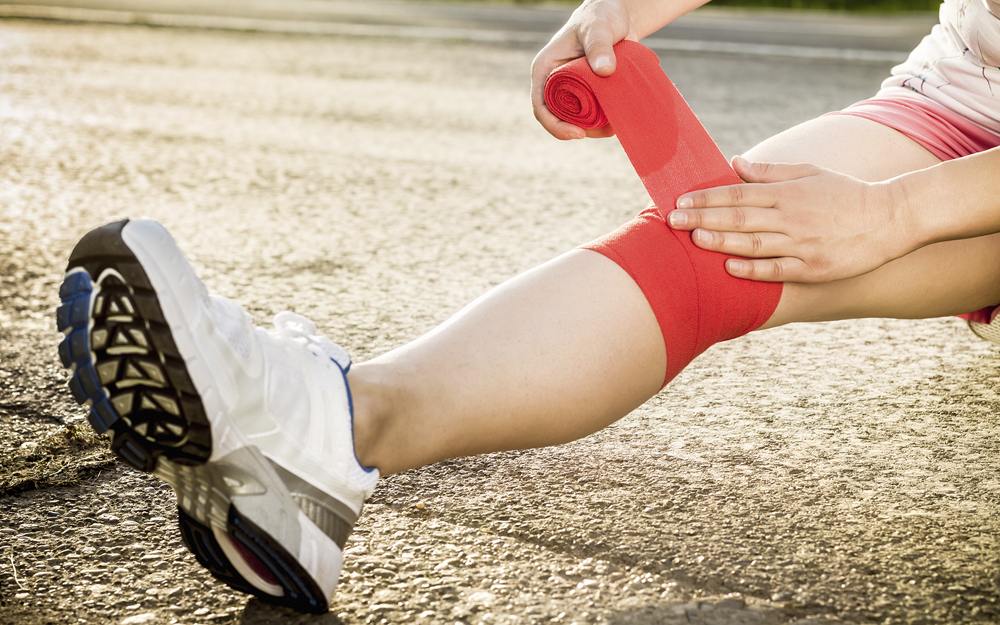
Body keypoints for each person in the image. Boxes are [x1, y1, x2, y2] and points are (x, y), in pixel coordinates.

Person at [56, 0, 1000, 614]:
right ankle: (324, 432)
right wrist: (623, 8)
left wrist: (896, 213)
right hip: (966, 94)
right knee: (724, 246)